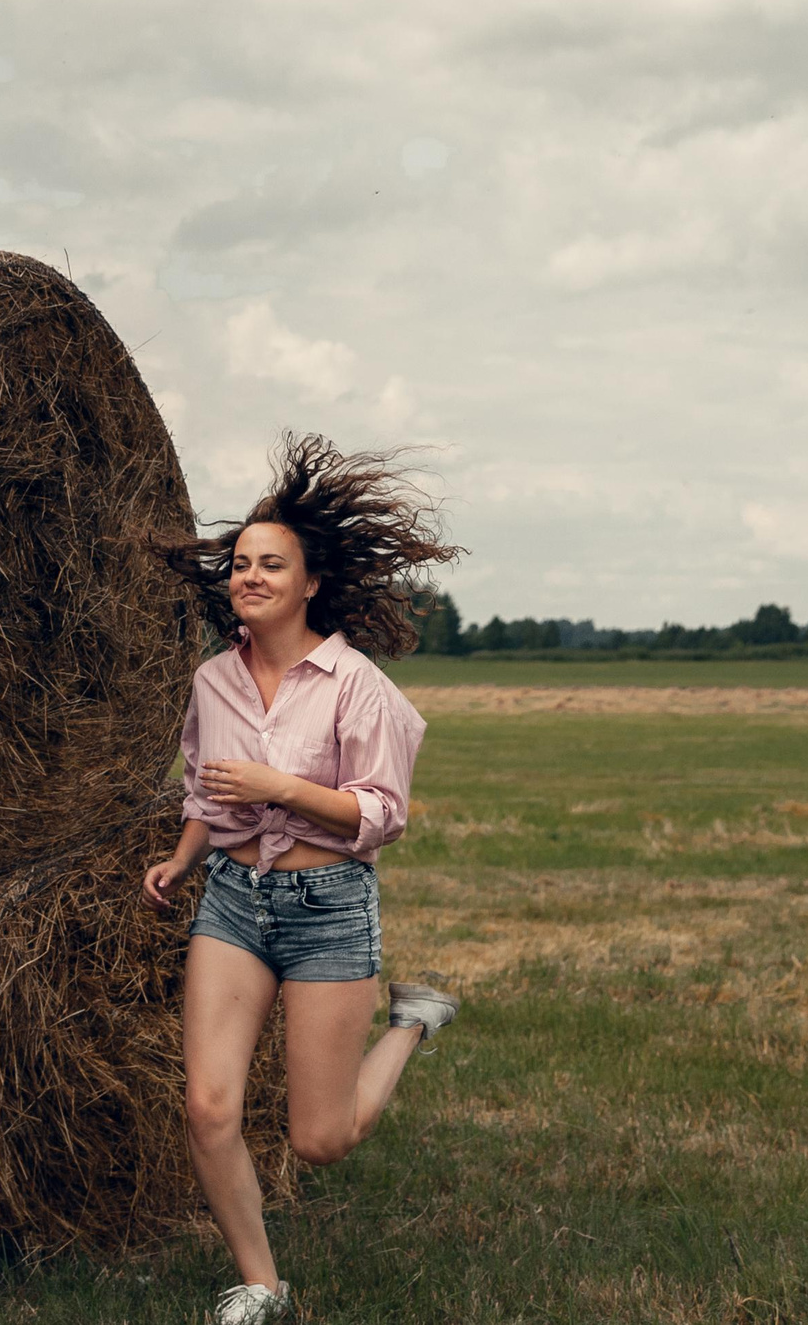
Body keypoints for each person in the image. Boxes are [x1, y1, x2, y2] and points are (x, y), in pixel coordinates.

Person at [144, 435, 463, 1325]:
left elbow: (381, 816)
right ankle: (263, 1285)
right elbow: (207, 790)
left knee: (319, 1140)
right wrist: (182, 856)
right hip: (236, 902)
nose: (249, 576)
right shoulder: (213, 680)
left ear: (310, 581)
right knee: (208, 1105)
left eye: (270, 564)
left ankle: (411, 1024)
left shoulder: (357, 686)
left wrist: (283, 787)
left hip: (328, 908)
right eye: (241, 563)